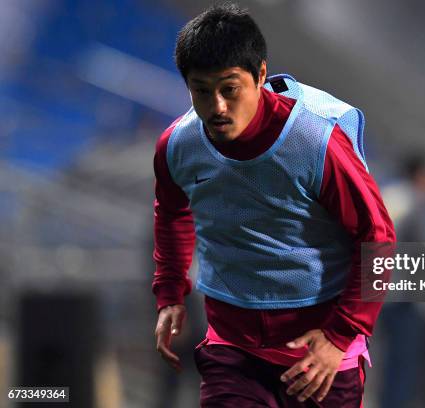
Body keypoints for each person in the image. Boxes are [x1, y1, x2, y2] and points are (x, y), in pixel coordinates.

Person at [152, 4, 395, 407]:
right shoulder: (177, 146)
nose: (217, 108)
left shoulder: (316, 144)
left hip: (318, 355)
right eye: (201, 91)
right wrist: (171, 292)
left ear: (261, 75)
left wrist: (339, 336)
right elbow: (172, 210)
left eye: (230, 89)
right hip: (232, 349)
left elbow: (378, 238)